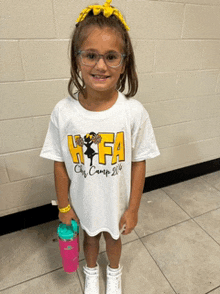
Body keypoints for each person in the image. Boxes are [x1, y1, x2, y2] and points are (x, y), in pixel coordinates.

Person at [40, 0, 160, 293]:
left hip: (117, 202)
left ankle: (114, 273)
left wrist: (133, 208)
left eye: (111, 56)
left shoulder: (134, 113)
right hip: (83, 200)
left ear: (124, 62)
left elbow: (138, 162)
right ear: (77, 58)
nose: (100, 65)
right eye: (91, 55)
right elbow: (59, 161)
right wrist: (64, 206)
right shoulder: (63, 112)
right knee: (90, 239)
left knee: (114, 239)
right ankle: (91, 271)